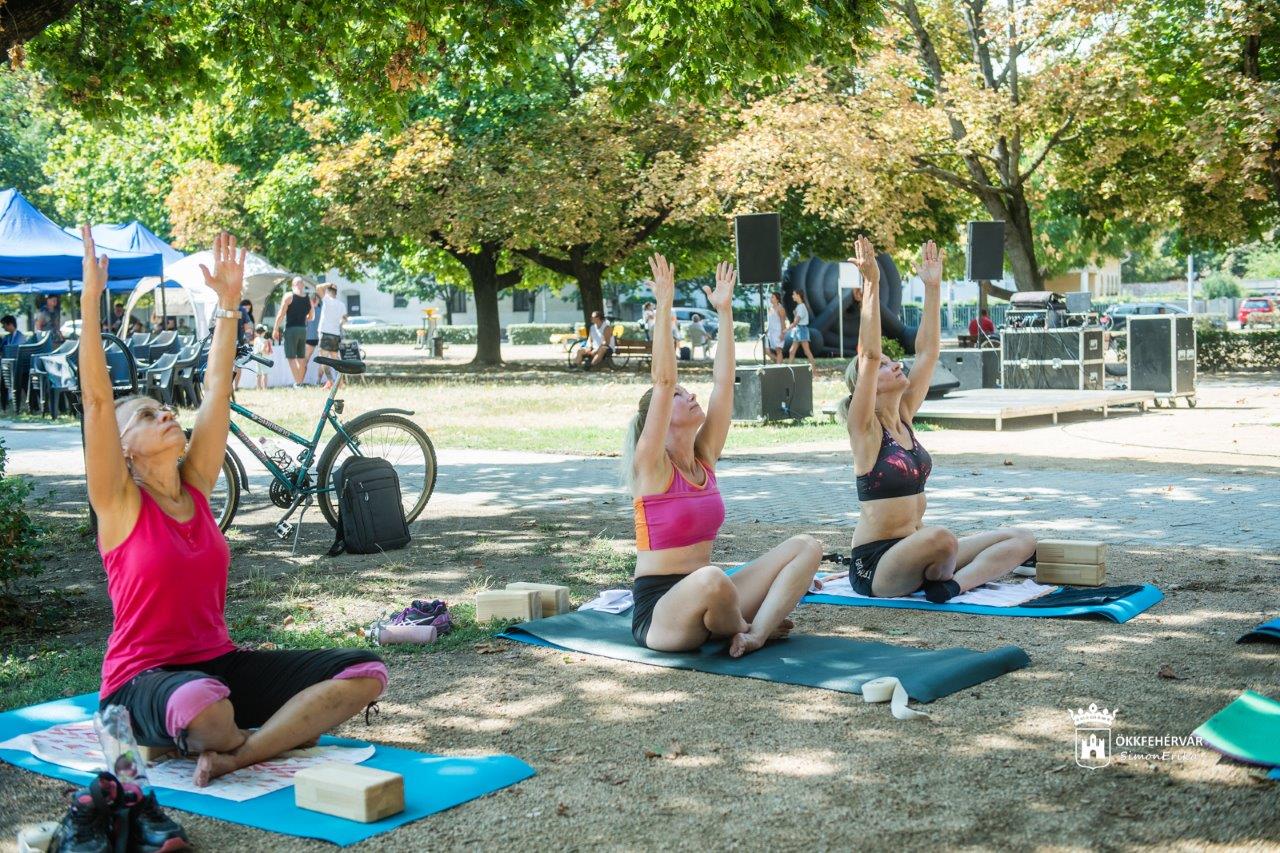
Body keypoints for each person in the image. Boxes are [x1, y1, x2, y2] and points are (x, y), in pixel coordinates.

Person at [76, 228, 385, 788]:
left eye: (163, 408)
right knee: (207, 708)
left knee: (364, 672)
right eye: (145, 416)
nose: (165, 414)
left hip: (218, 665)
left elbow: (217, 391)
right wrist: (90, 303)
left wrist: (227, 306)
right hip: (140, 680)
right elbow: (97, 403)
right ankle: (251, 732)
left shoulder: (195, 485)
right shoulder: (119, 505)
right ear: (121, 449)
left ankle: (241, 753)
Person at [624, 253, 821, 657]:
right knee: (712, 579)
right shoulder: (650, 465)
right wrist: (664, 305)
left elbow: (724, 383)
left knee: (808, 546)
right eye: (680, 396)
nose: (689, 394)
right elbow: (663, 381)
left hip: (715, 596)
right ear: (658, 420)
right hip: (662, 612)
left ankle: (755, 634)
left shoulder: (704, 457)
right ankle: (739, 625)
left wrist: (725, 312)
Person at [838, 236, 1035, 603]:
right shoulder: (864, 429)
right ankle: (942, 572)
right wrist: (872, 283)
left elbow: (927, 352)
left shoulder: (904, 415)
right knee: (942, 538)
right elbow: (868, 356)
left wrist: (932, 288)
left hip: (922, 547)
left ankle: (951, 586)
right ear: (867, 386)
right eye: (885, 366)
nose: (896, 365)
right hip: (877, 565)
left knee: (1022, 538)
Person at [273, 277, 313, 387]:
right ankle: (300, 382)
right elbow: (311, 317)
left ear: (292, 285)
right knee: (301, 357)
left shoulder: (289, 296)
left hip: (291, 329)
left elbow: (281, 314)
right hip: (303, 330)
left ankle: (298, 383)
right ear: (302, 285)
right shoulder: (308, 298)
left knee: (291, 357)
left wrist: (275, 329)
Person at [316, 285, 345, 389]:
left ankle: (330, 381)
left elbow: (318, 287)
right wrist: (337, 325)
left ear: (328, 292)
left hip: (325, 333)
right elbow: (344, 318)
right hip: (335, 334)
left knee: (323, 359)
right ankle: (340, 382)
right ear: (336, 292)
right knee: (335, 359)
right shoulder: (341, 304)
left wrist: (327, 284)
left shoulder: (327, 300)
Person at [786, 289, 816, 370]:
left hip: (801, 330)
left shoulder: (801, 307)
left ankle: (814, 371)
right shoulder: (799, 306)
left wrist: (786, 329)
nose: (792, 296)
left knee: (807, 351)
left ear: (798, 295)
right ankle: (789, 370)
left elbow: (796, 322)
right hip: (798, 330)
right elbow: (797, 320)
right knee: (792, 351)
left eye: (794, 294)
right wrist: (795, 314)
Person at [765, 291, 786, 364]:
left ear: (777, 299)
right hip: (771, 332)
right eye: (771, 297)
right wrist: (767, 330)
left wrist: (783, 333)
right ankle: (778, 362)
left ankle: (778, 366)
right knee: (766, 350)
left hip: (778, 332)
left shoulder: (781, 308)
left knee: (778, 350)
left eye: (772, 297)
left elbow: (783, 321)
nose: (770, 298)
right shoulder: (770, 308)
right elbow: (770, 321)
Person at [304, 292, 322, 372]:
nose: (314, 300)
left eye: (316, 298)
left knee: (322, 360)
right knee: (306, 359)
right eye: (313, 298)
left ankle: (319, 378)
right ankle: (300, 378)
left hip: (319, 337)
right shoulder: (306, 309)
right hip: (311, 337)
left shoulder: (322, 309)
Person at [252, 323, 273, 390]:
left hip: (256, 357)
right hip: (263, 357)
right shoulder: (264, 340)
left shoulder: (255, 339)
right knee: (265, 373)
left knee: (258, 373)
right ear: (263, 332)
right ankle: (264, 388)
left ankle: (258, 387)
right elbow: (263, 350)